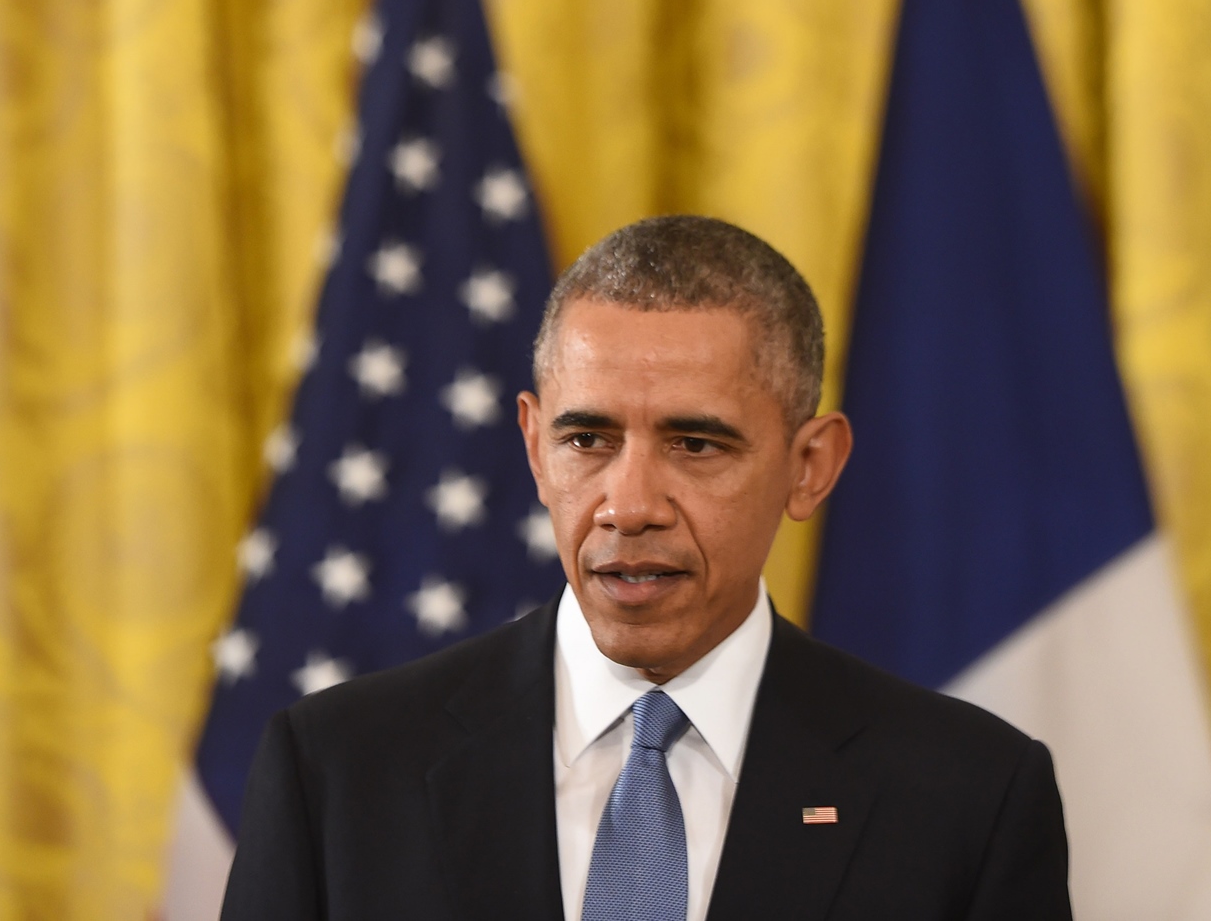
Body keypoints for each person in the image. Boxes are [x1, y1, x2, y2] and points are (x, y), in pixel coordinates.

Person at [220, 215, 1072, 920]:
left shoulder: (970, 799)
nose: (629, 505)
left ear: (809, 465)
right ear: (533, 446)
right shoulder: (337, 773)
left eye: (694, 444)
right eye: (586, 439)